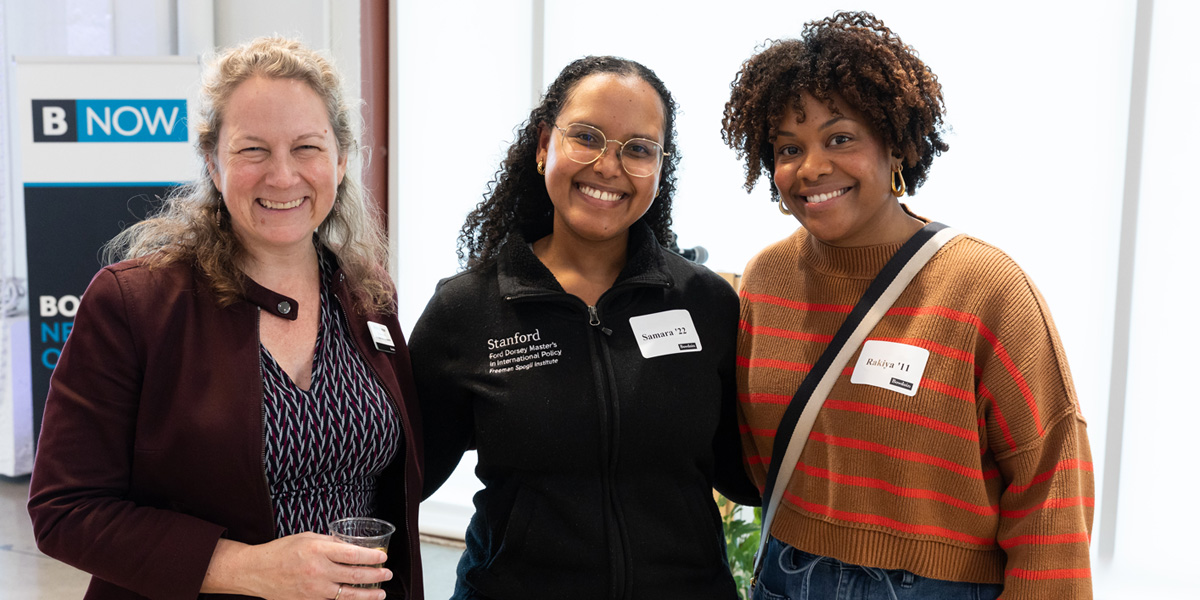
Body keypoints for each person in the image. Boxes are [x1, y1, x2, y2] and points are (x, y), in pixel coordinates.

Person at [27, 37, 423, 600]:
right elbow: (63, 510)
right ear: (213, 162)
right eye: (252, 150)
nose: (283, 177)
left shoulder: (367, 296)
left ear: (340, 159)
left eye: (307, 147)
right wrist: (247, 569)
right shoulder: (132, 304)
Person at [721, 12, 1094, 600]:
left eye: (840, 138)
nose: (812, 168)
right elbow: (752, 448)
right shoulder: (767, 279)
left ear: (895, 145)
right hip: (785, 578)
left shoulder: (985, 286)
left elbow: (1050, 486)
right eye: (788, 148)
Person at [410, 55, 759, 600]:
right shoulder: (467, 309)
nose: (608, 166)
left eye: (638, 149)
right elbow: (397, 479)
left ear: (661, 168)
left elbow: (747, 476)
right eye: (587, 137)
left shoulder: (705, 302)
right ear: (544, 144)